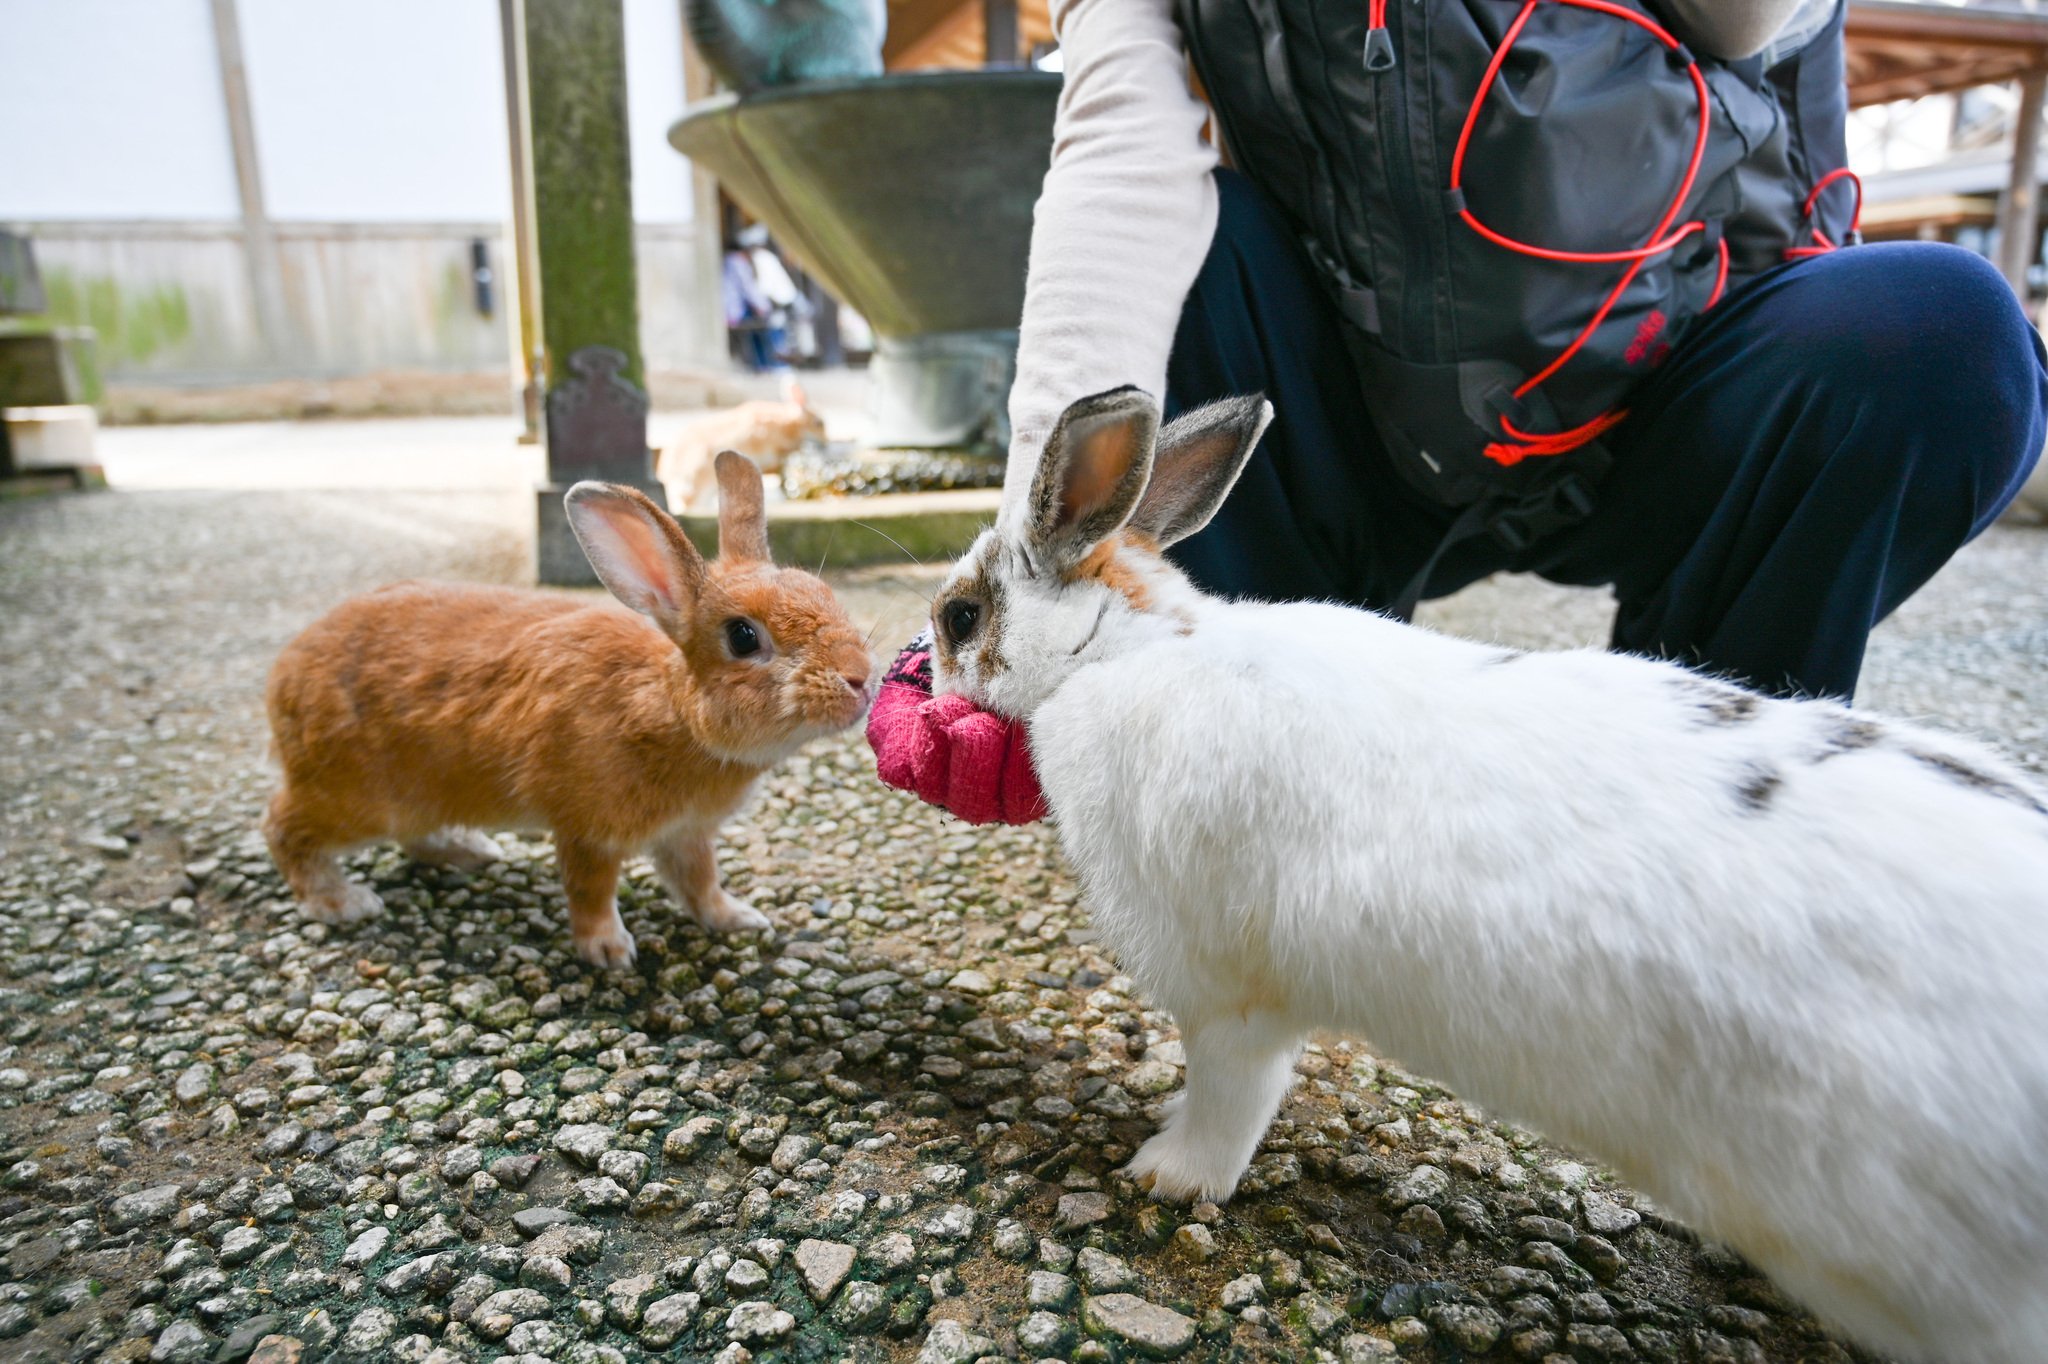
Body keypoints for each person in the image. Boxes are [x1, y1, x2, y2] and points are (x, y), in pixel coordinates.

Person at [870, 0, 2047, 824]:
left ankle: (1690, 806)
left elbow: (1743, 22)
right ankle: (1265, 783)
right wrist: (1025, 579)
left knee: (1942, 339)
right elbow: (1115, 152)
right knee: (1189, 253)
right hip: (1362, 415)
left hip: (1662, 396)